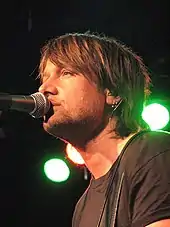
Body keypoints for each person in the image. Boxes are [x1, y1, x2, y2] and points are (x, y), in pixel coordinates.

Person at [38, 32, 170, 227]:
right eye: (46, 77)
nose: (44, 88)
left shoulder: (153, 153)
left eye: (66, 73)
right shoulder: (83, 206)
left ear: (112, 92)